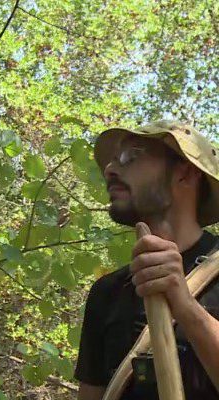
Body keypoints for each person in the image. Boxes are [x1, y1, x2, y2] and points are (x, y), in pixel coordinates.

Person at [76, 120, 219, 399]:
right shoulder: (107, 292)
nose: (110, 169)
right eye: (112, 161)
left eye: (132, 155)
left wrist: (185, 306)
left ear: (185, 172)